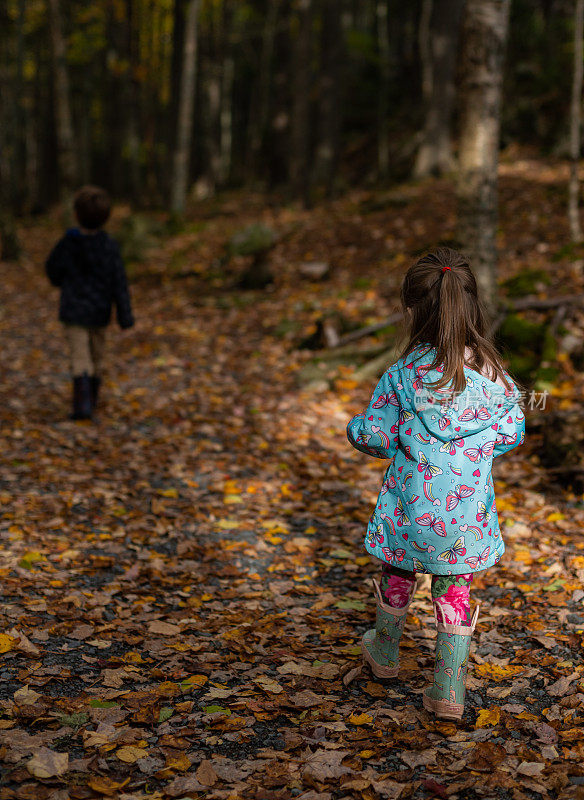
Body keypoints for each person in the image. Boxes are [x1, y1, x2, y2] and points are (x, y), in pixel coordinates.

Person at [346, 248, 525, 721]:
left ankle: (384, 655)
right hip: (464, 521)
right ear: (472, 305)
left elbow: (378, 437)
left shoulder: (402, 376)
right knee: (454, 591)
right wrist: (474, 449)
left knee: (398, 574)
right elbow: (512, 432)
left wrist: (354, 427)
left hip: (409, 513)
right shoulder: (493, 375)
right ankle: (448, 689)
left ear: (413, 310)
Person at [45, 185, 134, 420]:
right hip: (99, 311)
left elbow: (52, 270)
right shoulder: (109, 247)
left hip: (75, 310)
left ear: (76, 214)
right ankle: (89, 401)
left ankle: (83, 404)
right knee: (96, 356)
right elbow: (119, 283)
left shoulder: (68, 243)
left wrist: (61, 279)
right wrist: (125, 315)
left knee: (80, 357)